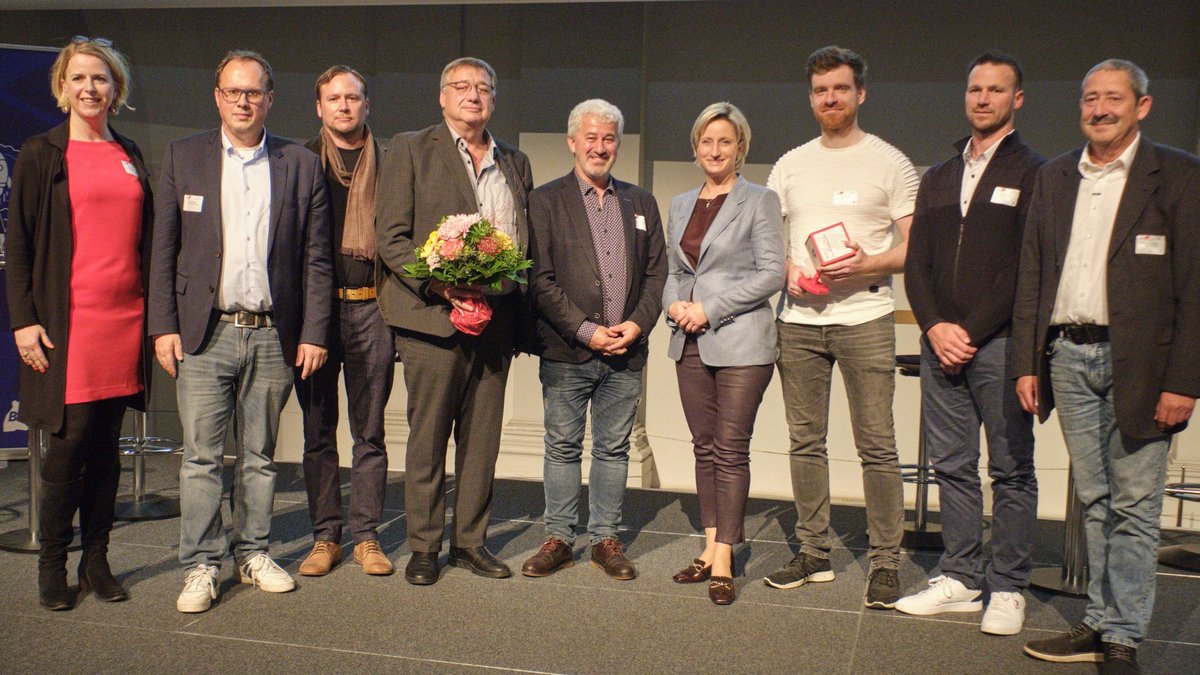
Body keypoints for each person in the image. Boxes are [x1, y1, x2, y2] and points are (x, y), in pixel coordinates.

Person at [1012, 59, 1200, 674]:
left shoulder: (1176, 174)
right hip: (1067, 353)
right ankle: (1098, 618)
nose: (1100, 109)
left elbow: (1196, 287)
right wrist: (1027, 361)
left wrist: (1184, 382)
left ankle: (1123, 635)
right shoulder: (1057, 175)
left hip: (1143, 364)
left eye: (1113, 99)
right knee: (1094, 499)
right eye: (1090, 98)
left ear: (1141, 106)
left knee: (1136, 505)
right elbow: (1035, 272)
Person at [149, 50, 333, 613]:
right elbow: (163, 250)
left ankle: (252, 553)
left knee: (259, 455)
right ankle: (201, 565)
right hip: (204, 332)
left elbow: (317, 258)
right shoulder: (184, 156)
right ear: (218, 96)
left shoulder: (300, 162)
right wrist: (162, 326)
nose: (243, 101)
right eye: (233, 91)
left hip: (274, 333)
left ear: (270, 99)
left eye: (253, 92)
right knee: (201, 457)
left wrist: (315, 331)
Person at [765, 45, 919, 609]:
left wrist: (867, 264)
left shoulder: (890, 162)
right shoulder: (790, 164)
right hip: (800, 322)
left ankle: (885, 563)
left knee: (877, 446)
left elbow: (914, 244)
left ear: (861, 93)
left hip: (867, 318)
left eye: (840, 88)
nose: (831, 98)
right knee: (806, 443)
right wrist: (789, 273)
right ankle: (813, 554)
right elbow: (767, 244)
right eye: (820, 91)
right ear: (811, 98)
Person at [897, 51, 1044, 635]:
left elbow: (1025, 268)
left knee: (1010, 468)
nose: (982, 98)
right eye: (975, 89)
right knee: (953, 465)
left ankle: (1008, 585)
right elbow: (918, 264)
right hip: (942, 345)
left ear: (1017, 100)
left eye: (995, 90)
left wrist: (972, 331)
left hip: (1001, 343)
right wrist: (934, 326)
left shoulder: (1035, 172)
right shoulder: (937, 176)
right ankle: (959, 576)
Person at [5, 36, 152, 610]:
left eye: (102, 79)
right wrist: (23, 321)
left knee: (107, 451)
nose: (91, 88)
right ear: (62, 88)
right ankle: (52, 565)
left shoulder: (130, 151)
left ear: (117, 89)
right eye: (80, 78)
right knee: (67, 450)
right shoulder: (43, 152)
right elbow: (18, 246)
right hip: (70, 326)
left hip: (126, 321)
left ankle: (96, 559)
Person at [375, 56, 532, 586]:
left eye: (484, 88)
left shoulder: (515, 161)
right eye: (461, 87)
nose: (473, 95)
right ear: (442, 97)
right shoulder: (411, 148)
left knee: (482, 440)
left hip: (494, 324)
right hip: (433, 320)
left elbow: (523, 242)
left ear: (494, 100)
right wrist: (439, 286)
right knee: (428, 438)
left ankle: (470, 542)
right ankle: (424, 546)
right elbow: (391, 238)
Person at [520, 99, 665, 582]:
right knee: (562, 446)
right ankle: (559, 538)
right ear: (572, 143)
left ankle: (605, 538)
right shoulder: (544, 201)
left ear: (617, 145)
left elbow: (655, 274)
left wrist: (637, 325)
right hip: (567, 350)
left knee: (613, 448)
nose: (599, 147)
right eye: (591, 138)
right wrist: (587, 331)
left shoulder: (640, 202)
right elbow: (540, 281)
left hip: (626, 350)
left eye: (608, 139)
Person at [663, 102, 785, 605]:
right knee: (703, 446)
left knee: (731, 449)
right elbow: (674, 271)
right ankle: (709, 545)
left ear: (741, 149)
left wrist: (708, 309)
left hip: (741, 341)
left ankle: (727, 556)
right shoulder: (679, 203)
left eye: (725, 142)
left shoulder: (759, 199)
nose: (715, 150)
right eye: (706, 142)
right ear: (696, 149)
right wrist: (675, 305)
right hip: (687, 339)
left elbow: (771, 273)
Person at [295, 65, 394, 578]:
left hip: (373, 307)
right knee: (317, 430)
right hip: (316, 313)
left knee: (370, 431)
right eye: (333, 98)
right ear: (320, 107)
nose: (344, 106)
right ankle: (324, 536)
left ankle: (368, 536)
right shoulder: (301, 160)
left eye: (353, 98)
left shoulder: (392, 161)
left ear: (366, 104)